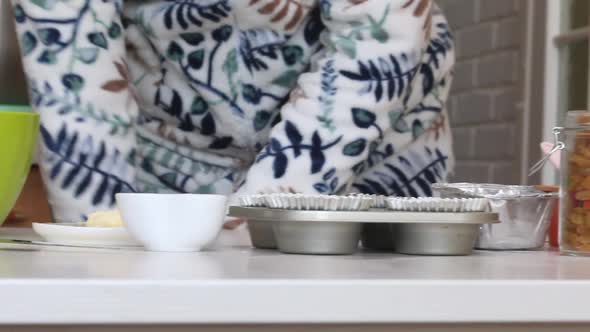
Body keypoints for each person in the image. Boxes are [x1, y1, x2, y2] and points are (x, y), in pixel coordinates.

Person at [11, 0, 455, 223]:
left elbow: (377, 39)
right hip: (169, 154)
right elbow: (74, 85)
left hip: (373, 139)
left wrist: (262, 210)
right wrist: (99, 237)